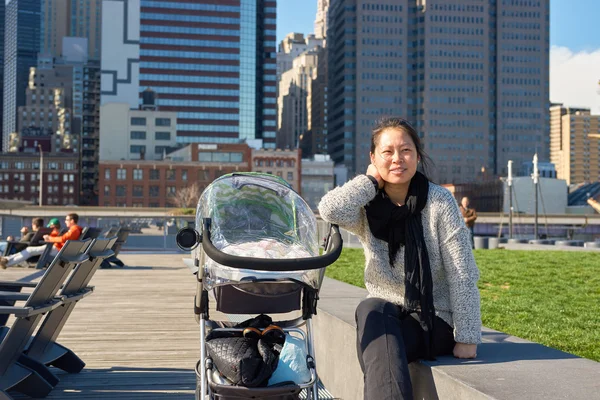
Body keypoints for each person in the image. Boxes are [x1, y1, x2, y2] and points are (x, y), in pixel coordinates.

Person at [318, 117, 481, 400]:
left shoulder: (439, 201)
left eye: (406, 150)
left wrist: (467, 336)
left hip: (434, 317)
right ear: (373, 158)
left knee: (376, 347)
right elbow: (330, 210)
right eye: (387, 152)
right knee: (371, 311)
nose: (397, 159)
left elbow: (462, 272)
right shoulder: (367, 204)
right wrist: (368, 181)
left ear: (417, 155)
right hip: (387, 310)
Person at [0, 213, 82, 269]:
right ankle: (6, 260)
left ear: (72, 221)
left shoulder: (74, 229)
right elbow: (63, 238)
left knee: (29, 250)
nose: (65, 221)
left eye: (67, 220)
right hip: (58, 248)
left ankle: (7, 261)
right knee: (29, 250)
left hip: (58, 249)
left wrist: (50, 239)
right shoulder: (74, 229)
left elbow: (63, 239)